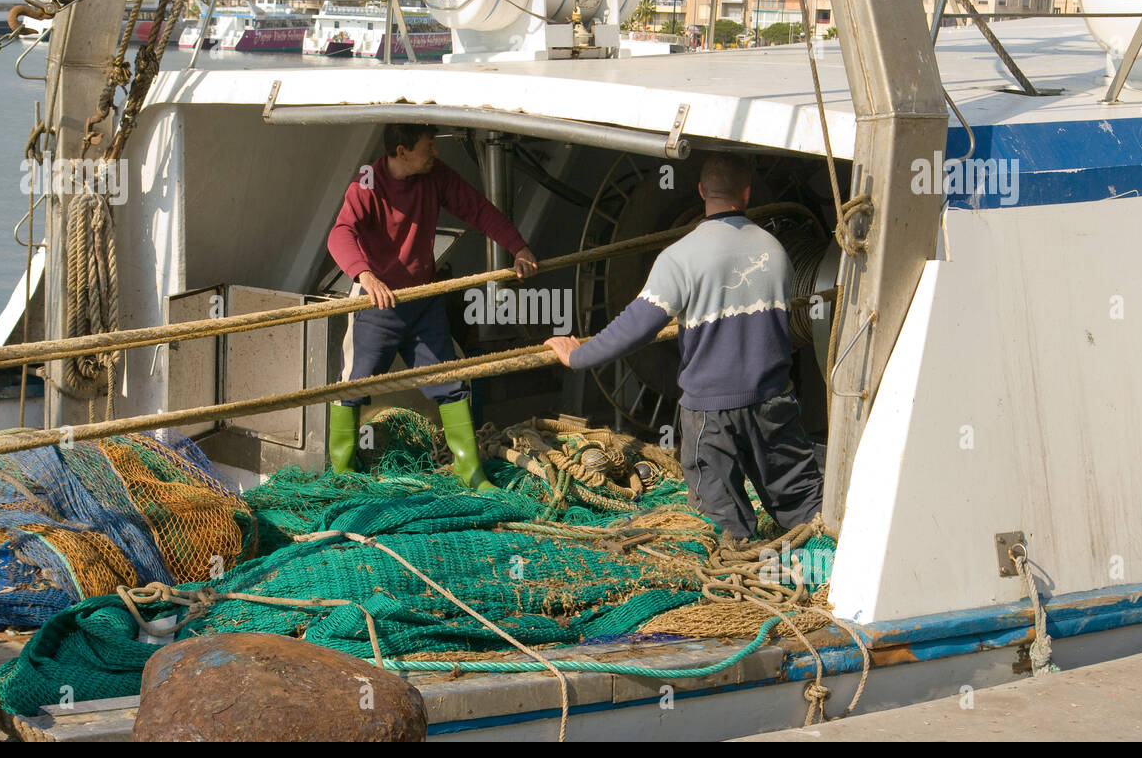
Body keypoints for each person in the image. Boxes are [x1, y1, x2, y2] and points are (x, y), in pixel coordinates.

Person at [544, 154, 823, 539]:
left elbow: (636, 327)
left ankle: (735, 582)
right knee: (806, 506)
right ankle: (825, 576)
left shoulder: (679, 257)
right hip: (773, 401)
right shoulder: (775, 250)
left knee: (721, 522)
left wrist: (578, 355)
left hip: (711, 413)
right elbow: (784, 327)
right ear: (746, 193)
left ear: (701, 192)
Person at [327, 123, 538, 490]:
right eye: (429, 146)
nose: (436, 152)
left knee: (451, 384)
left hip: (424, 302)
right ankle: (343, 477)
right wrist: (365, 276)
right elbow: (340, 233)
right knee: (352, 389)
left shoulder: (435, 175)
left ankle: (470, 474)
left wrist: (517, 246)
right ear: (402, 151)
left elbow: (478, 209)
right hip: (378, 305)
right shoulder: (366, 182)